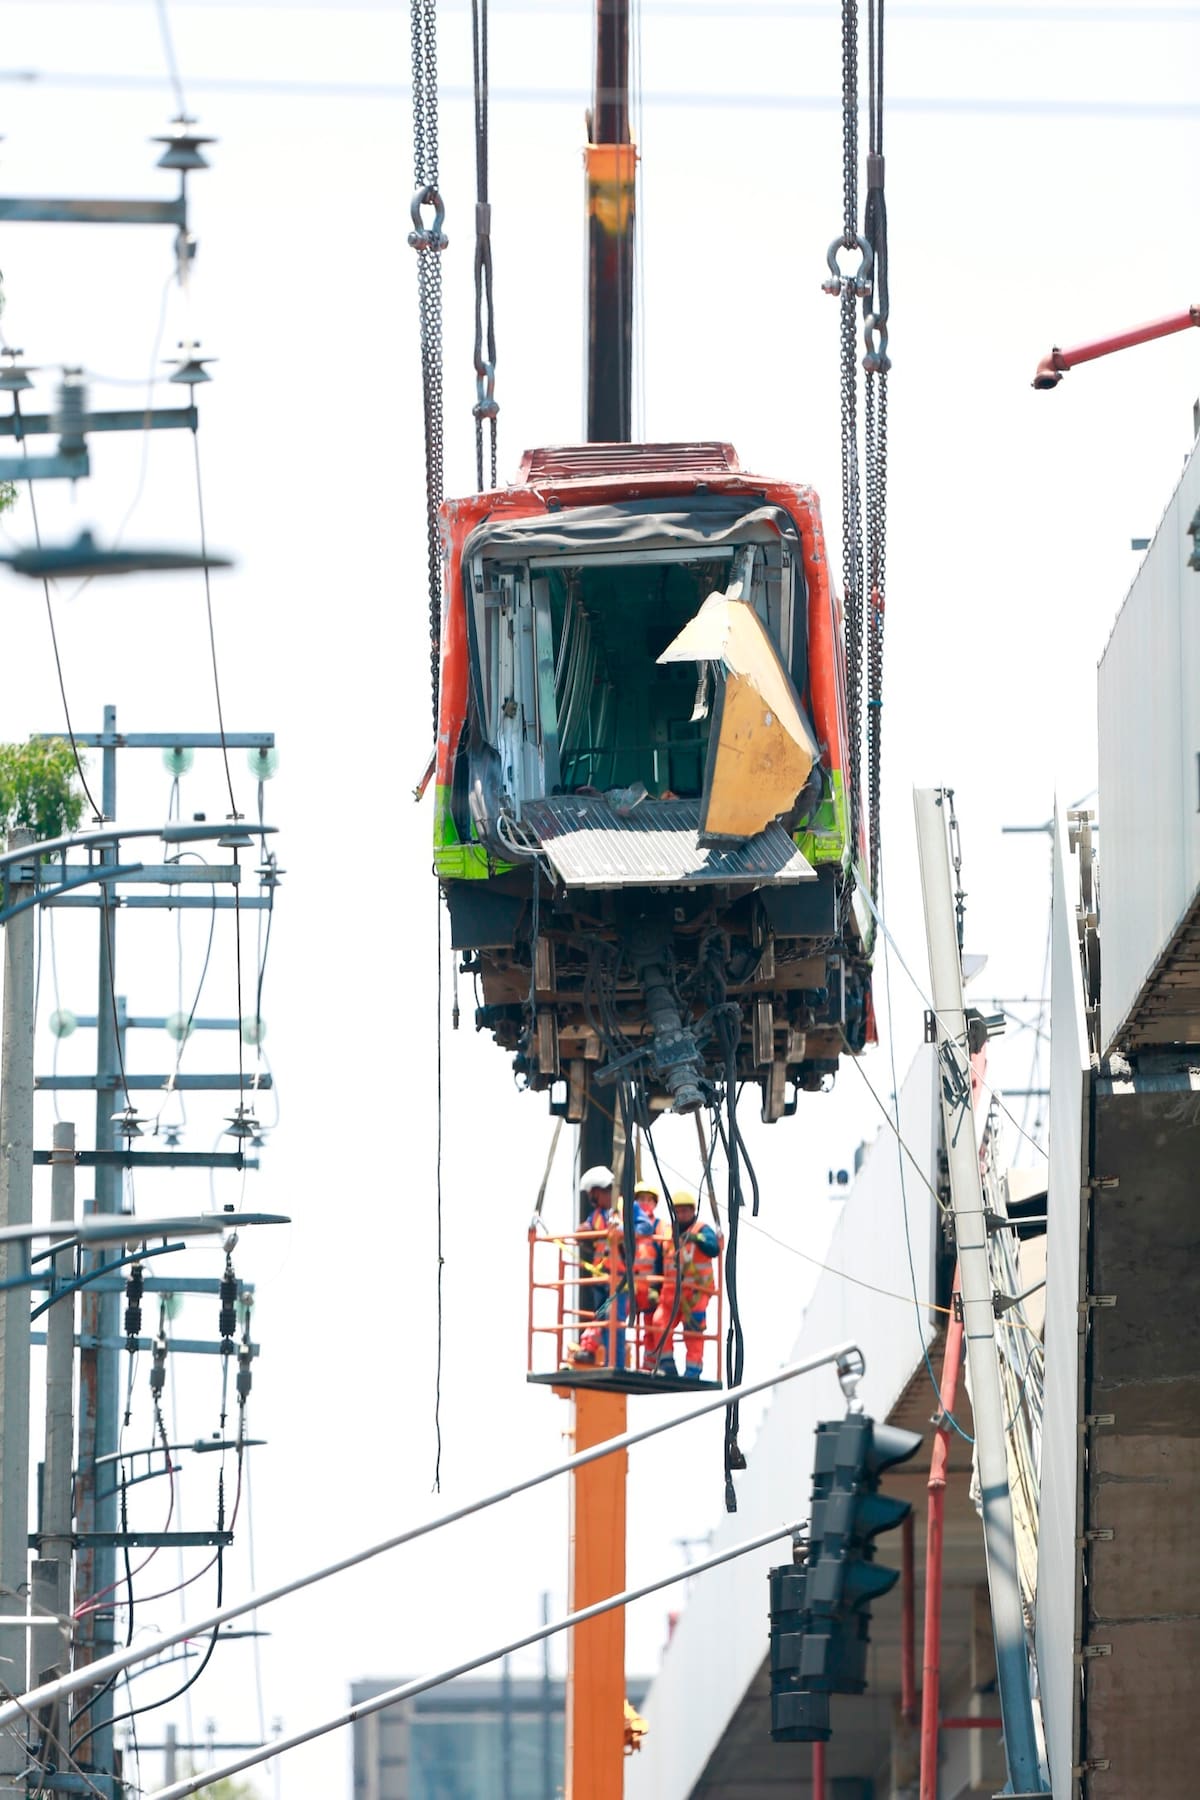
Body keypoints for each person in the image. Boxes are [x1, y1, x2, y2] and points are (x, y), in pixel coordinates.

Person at [643, 1189, 720, 1379]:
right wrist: (654, 1289)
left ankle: (693, 1370)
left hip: (696, 1293)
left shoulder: (702, 1229)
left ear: (692, 1211)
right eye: (678, 1211)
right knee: (659, 1321)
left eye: (685, 1211)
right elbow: (659, 1265)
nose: (682, 1214)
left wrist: (698, 1239)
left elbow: (714, 1248)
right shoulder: (667, 1234)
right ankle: (667, 1364)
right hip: (671, 1293)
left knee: (693, 1329)